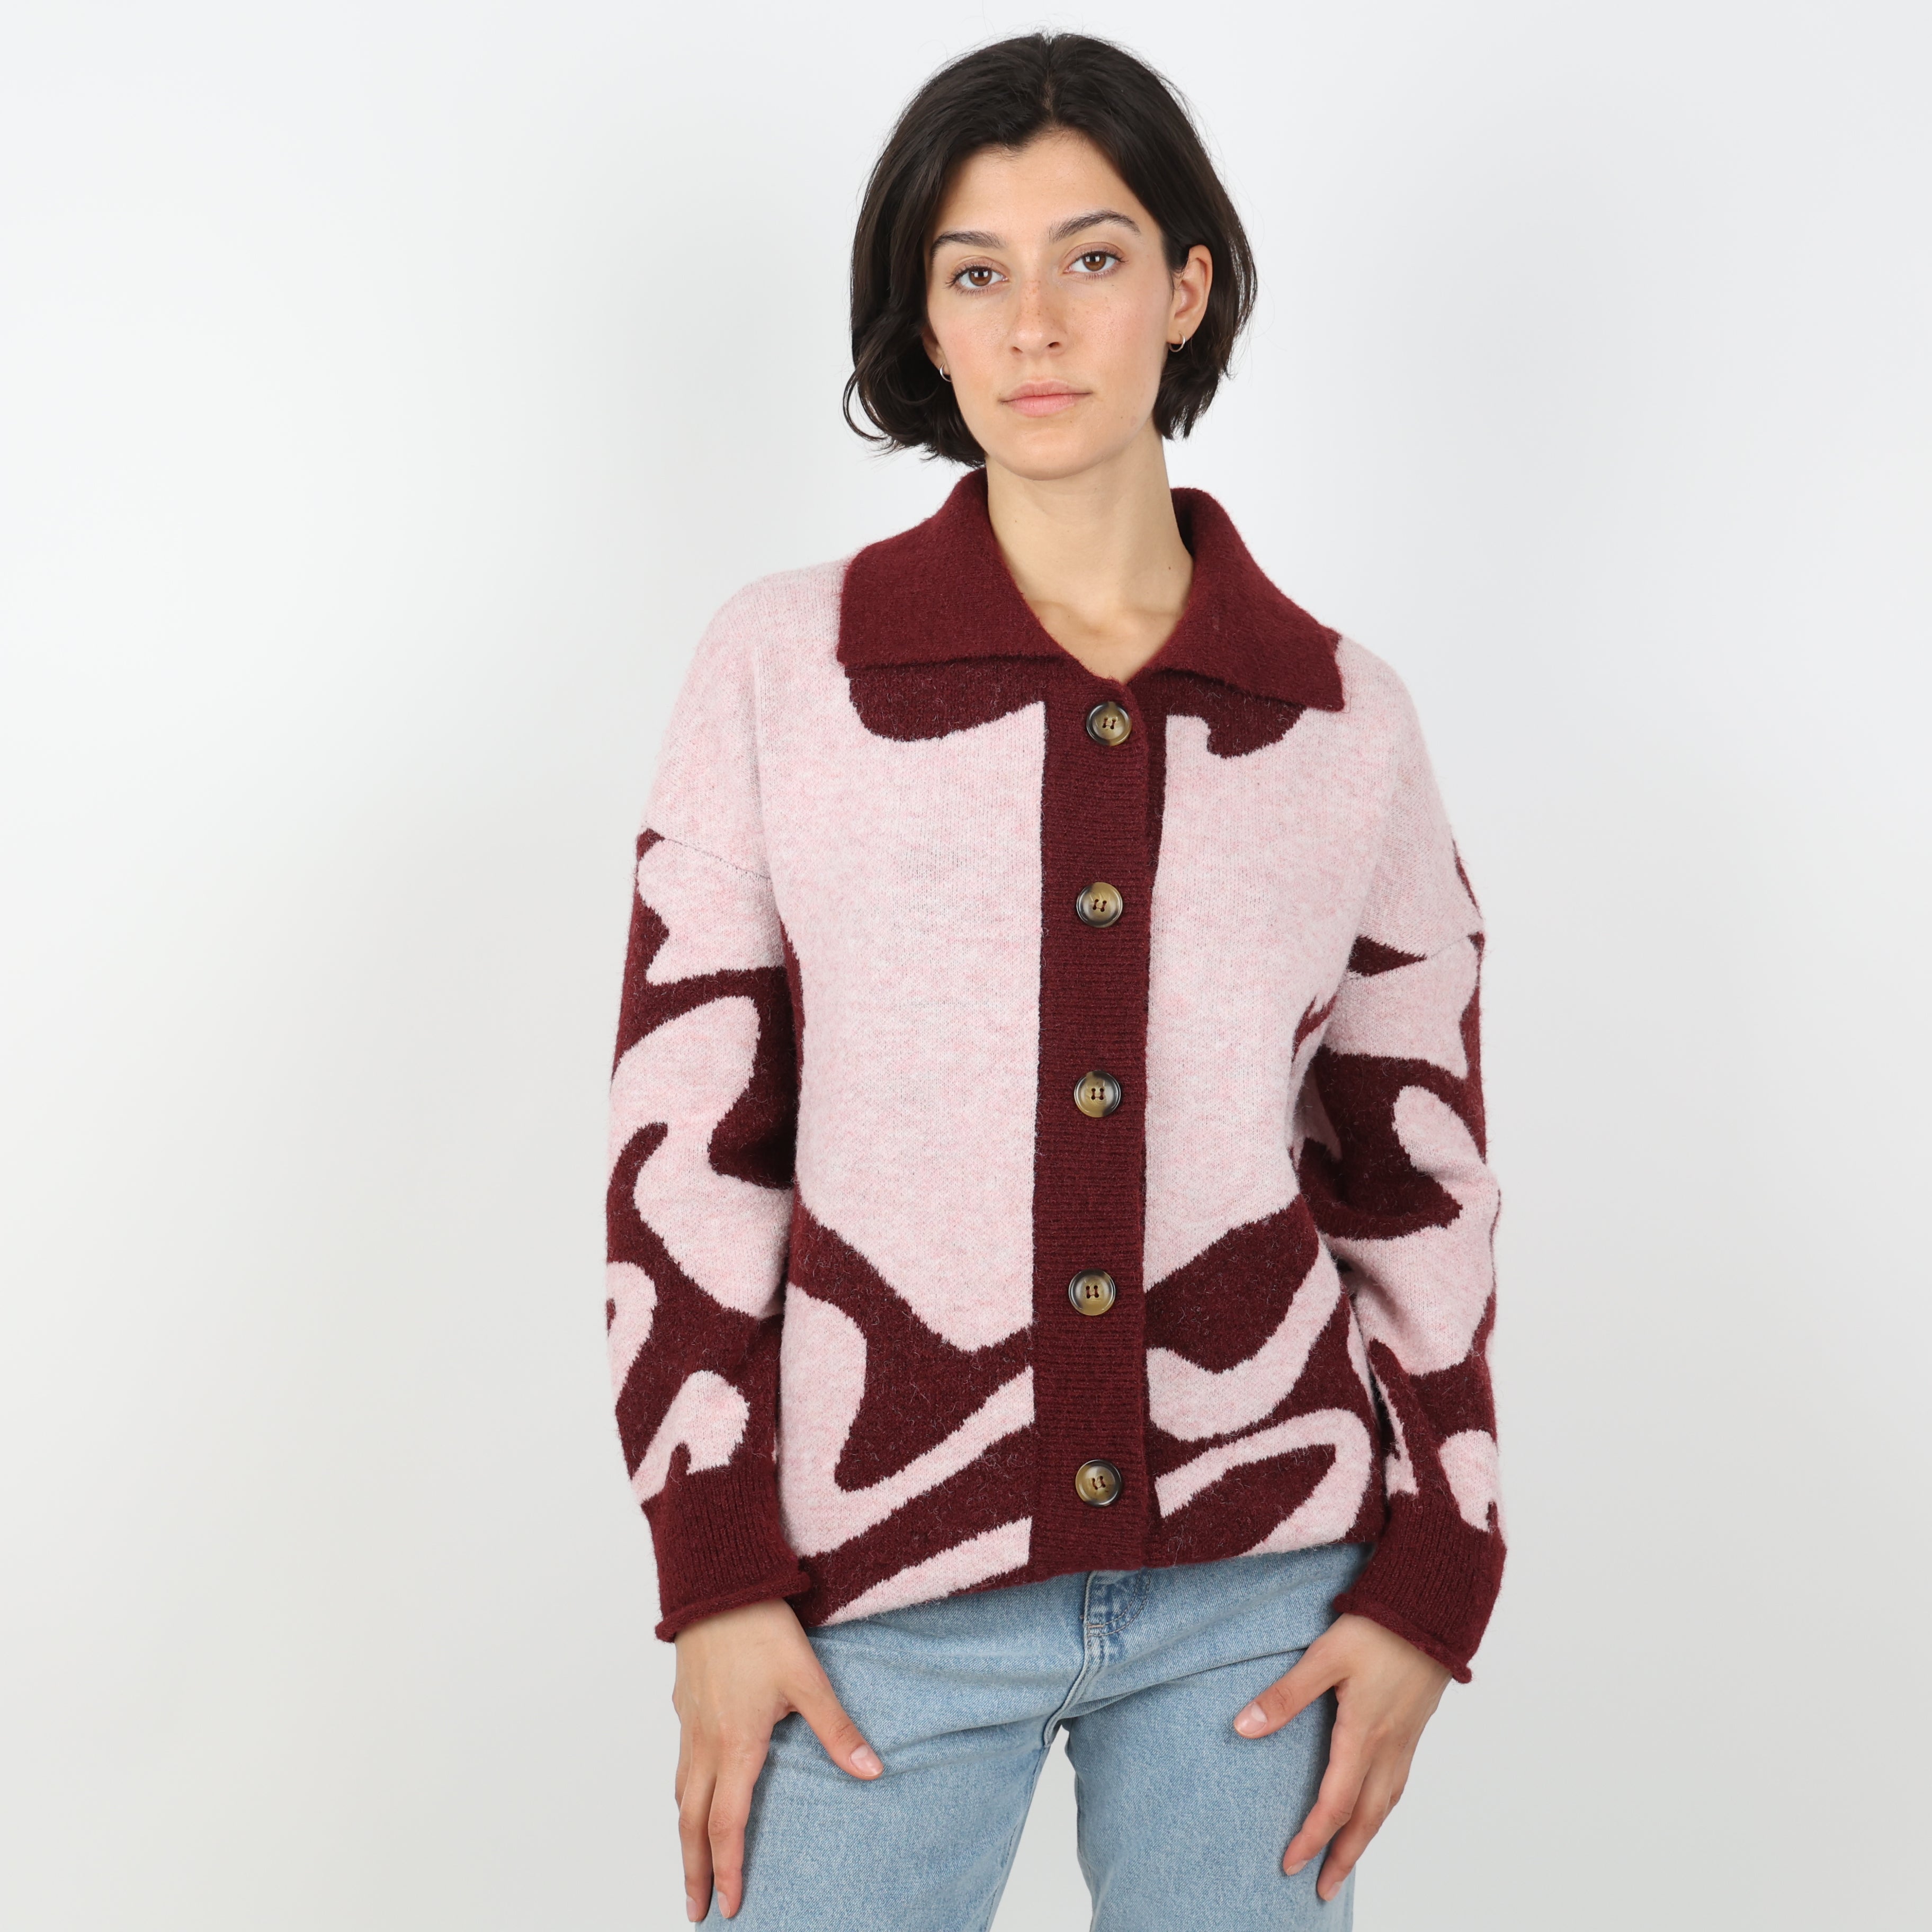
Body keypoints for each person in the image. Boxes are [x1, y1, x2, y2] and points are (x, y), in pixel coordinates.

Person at [605, 32, 1504, 1930]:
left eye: (1092, 258)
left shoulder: (1339, 716)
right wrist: (716, 1571)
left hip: (1262, 1596)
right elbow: (685, 1145)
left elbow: (1419, 1176)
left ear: (1184, 287)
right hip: (864, 1594)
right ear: (923, 321)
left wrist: (1435, 1575)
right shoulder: (789, 667)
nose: (1035, 323)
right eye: (974, 270)